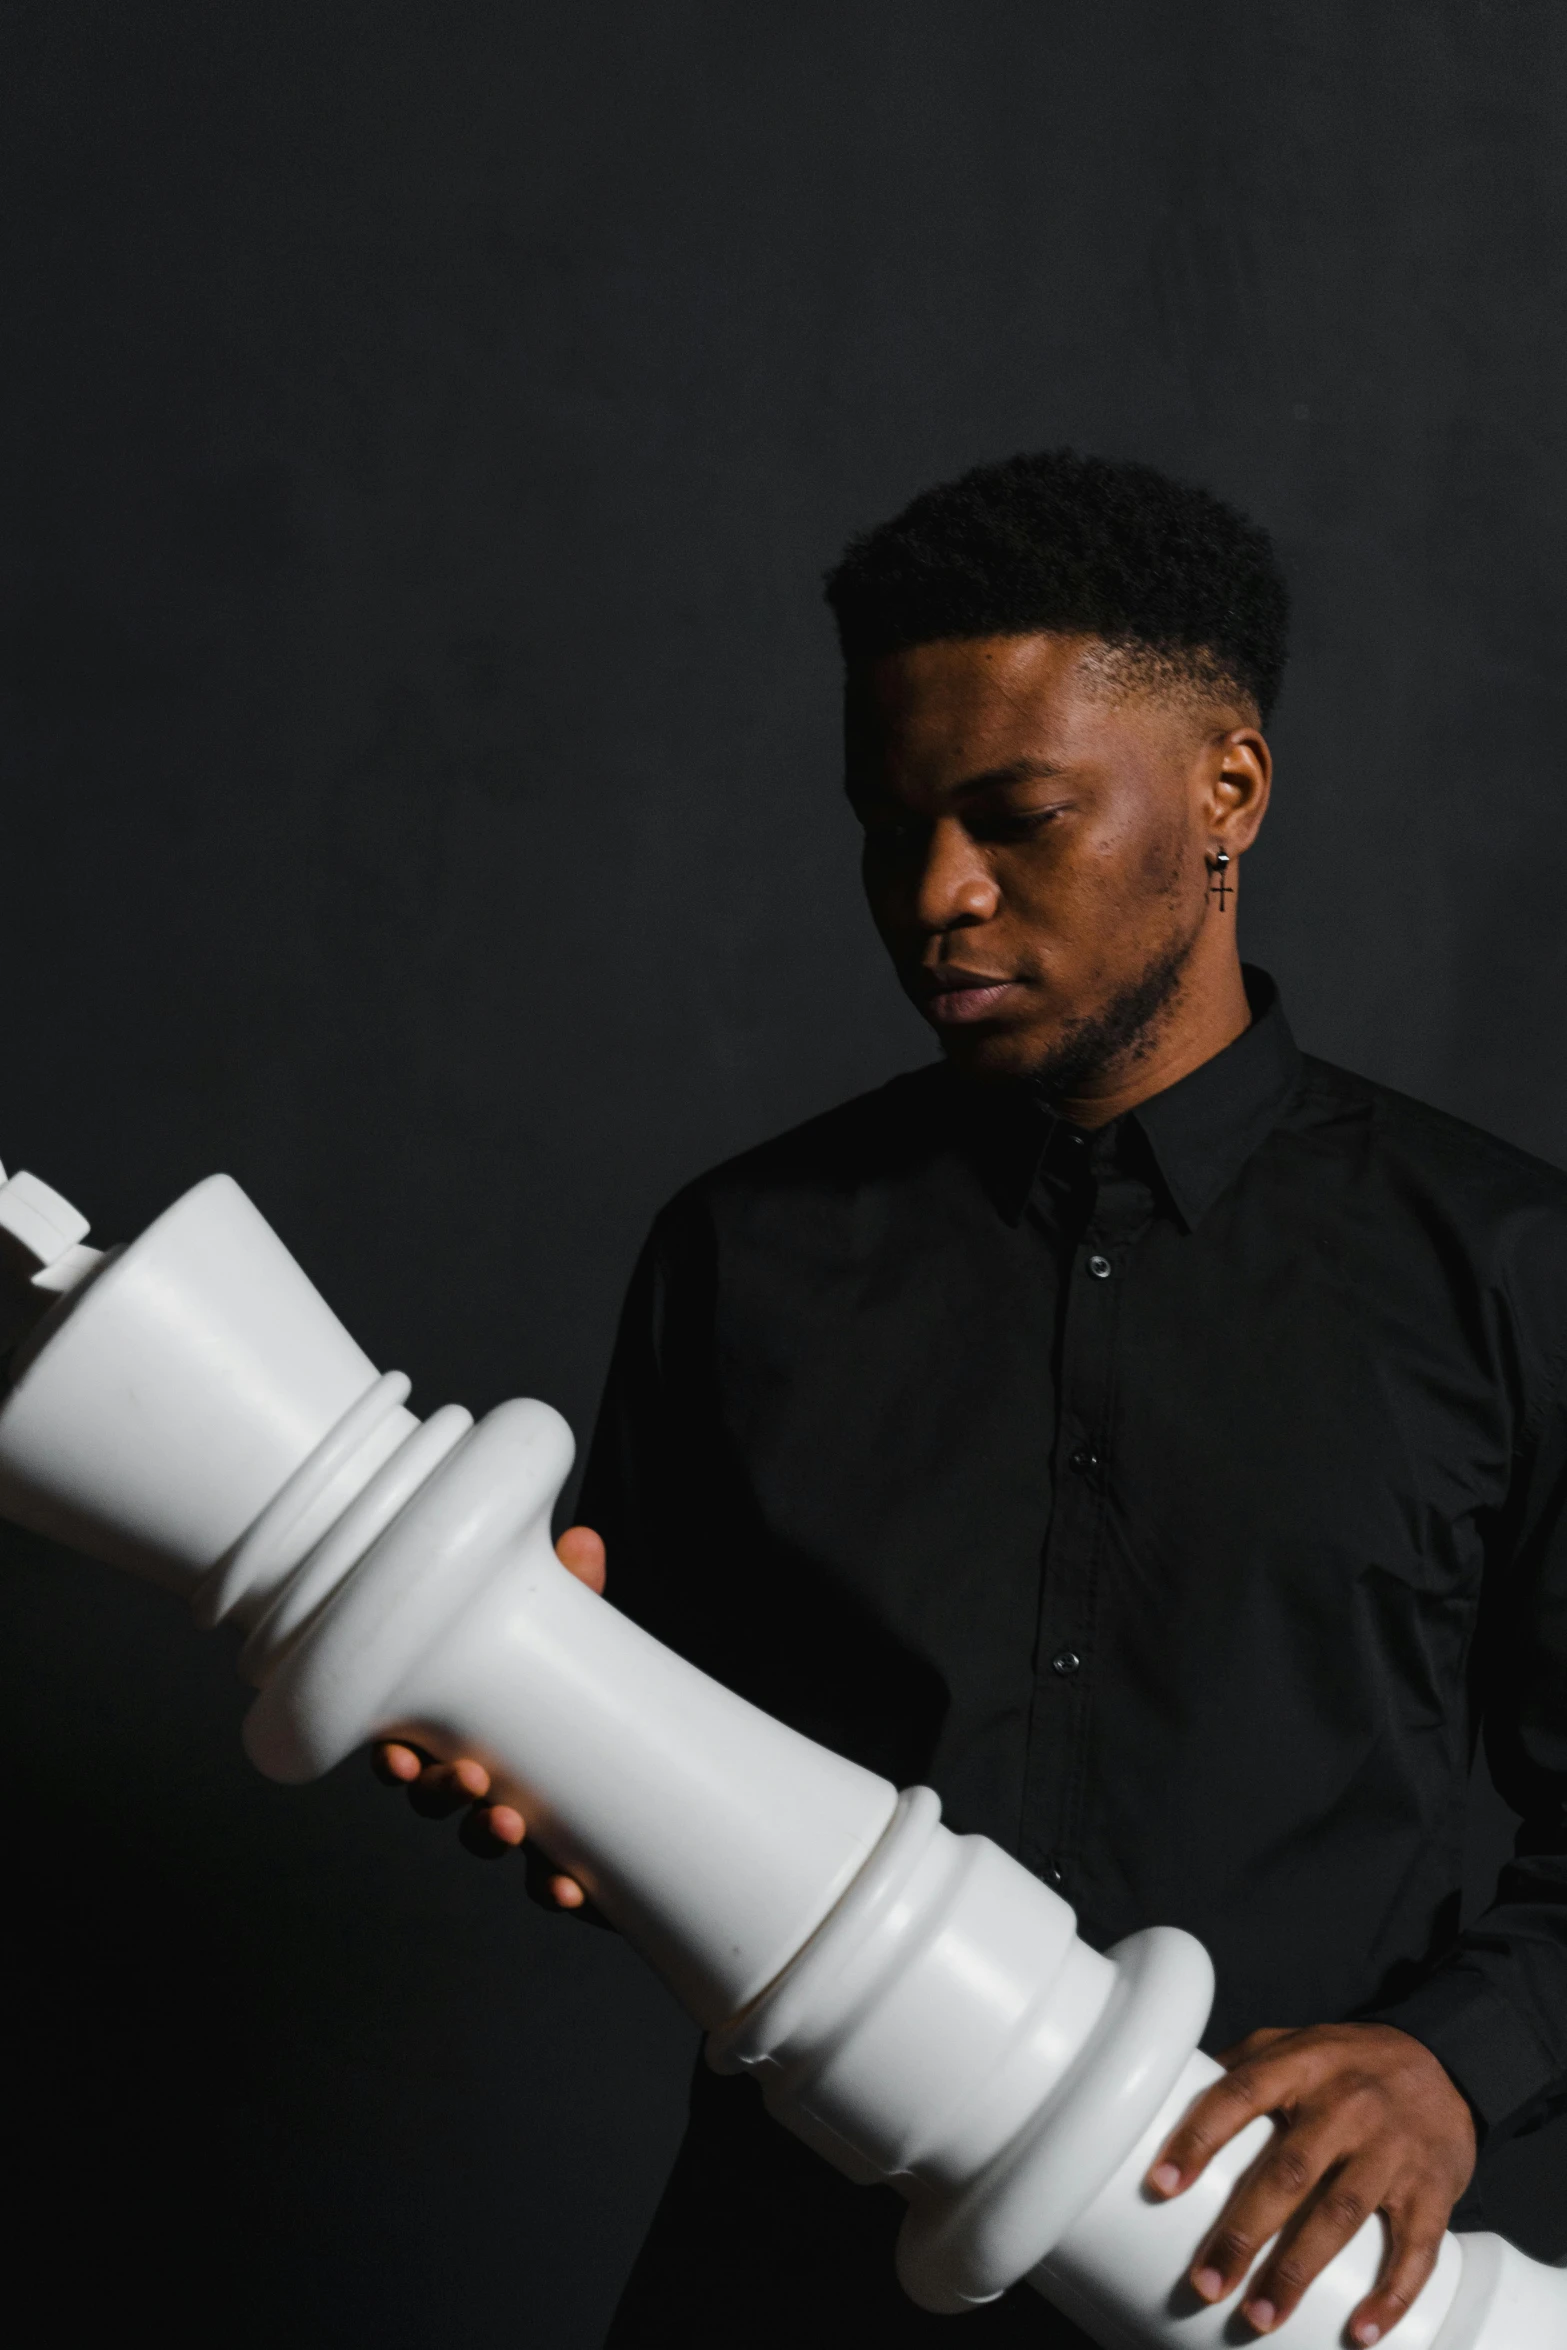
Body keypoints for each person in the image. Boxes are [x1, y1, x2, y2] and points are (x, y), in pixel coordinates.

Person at [376, 451, 1567, 2346]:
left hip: (1264, 2296)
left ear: (1226, 790)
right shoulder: (736, 1255)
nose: (932, 895)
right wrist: (541, 1752)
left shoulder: (1508, 1270)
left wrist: (1450, 2064)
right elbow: (656, 1808)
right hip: (781, 2287)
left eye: (1014, 816)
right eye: (888, 823)